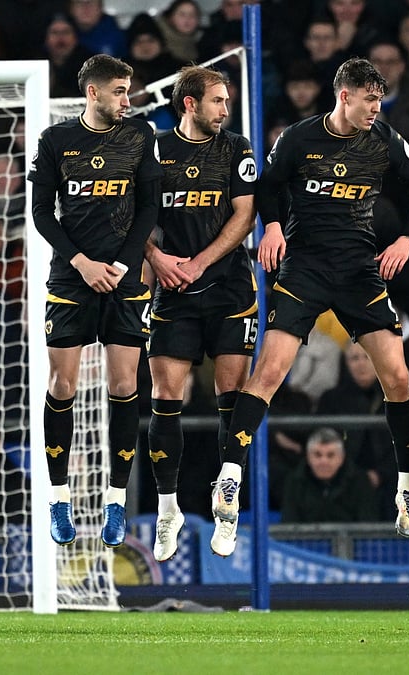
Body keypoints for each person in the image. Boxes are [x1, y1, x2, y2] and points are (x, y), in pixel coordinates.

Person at [210, 57, 409, 557]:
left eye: (381, 100)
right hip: (305, 267)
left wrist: (404, 239)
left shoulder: (386, 141)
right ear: (345, 97)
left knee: (397, 379)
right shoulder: (298, 138)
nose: (377, 109)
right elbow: (267, 186)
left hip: (359, 270)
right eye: (369, 100)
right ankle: (228, 482)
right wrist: (270, 225)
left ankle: (407, 489)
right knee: (268, 372)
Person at [28, 54, 162, 548]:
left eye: (129, 91)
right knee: (63, 383)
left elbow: (149, 205)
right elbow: (42, 213)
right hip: (71, 277)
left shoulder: (140, 135)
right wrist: (81, 261)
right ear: (93, 92)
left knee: (124, 383)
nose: (128, 100)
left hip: (124, 279)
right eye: (120, 91)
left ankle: (114, 500)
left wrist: (124, 265)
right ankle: (59, 499)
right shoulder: (57, 140)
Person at [142, 65, 257, 563]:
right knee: (166, 398)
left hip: (230, 287)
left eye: (226, 102)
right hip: (173, 289)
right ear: (189, 103)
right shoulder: (154, 152)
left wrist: (201, 262)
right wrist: (158, 259)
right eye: (217, 101)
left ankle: (226, 499)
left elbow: (245, 212)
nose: (225, 110)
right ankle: (168, 508)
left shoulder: (237, 148)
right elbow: (133, 219)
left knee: (231, 397)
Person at [280, 427, 379, 524]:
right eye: (317, 455)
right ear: (308, 457)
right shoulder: (294, 481)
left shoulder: (360, 481)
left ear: (341, 458)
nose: (324, 461)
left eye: (330, 455)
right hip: (306, 540)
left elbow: (368, 527)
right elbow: (289, 525)